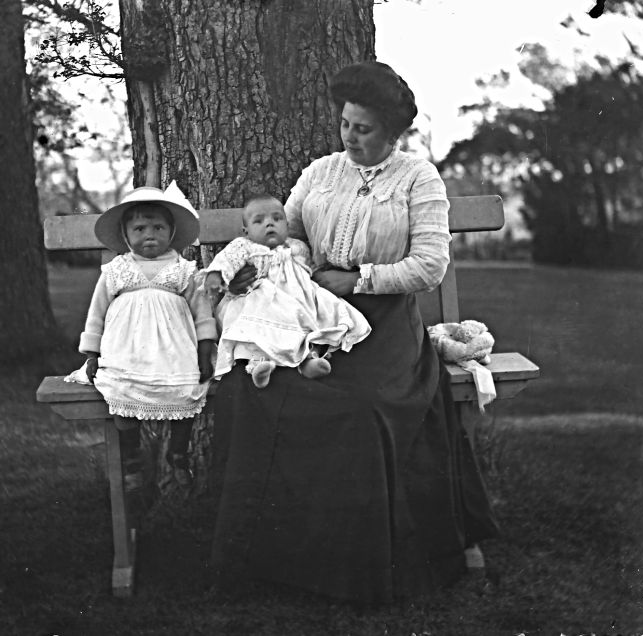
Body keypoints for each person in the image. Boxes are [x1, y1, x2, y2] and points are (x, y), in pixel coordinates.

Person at [210, 61, 500, 604]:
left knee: (362, 410)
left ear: (392, 132)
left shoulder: (419, 178)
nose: (350, 137)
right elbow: (291, 233)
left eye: (362, 129)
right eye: (345, 124)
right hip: (311, 313)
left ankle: (360, 567)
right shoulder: (322, 171)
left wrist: (359, 277)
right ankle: (277, 558)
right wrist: (279, 267)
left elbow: (430, 265)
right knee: (265, 390)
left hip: (385, 323)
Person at [77, 183, 216, 490]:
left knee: (188, 389)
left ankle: (178, 453)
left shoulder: (183, 270)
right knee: (122, 392)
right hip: (127, 352)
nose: (149, 234)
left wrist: (205, 351)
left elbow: (202, 314)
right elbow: (96, 314)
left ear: (172, 231)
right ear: (126, 236)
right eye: (139, 228)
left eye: (158, 227)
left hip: (174, 353)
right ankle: (132, 459)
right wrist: (91, 354)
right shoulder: (116, 270)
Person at [203, 193, 371, 388]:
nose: (269, 224)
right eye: (259, 221)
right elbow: (226, 261)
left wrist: (317, 284)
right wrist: (215, 277)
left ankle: (309, 359)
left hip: (295, 300)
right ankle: (258, 365)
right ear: (246, 231)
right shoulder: (244, 247)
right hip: (261, 300)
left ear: (287, 225)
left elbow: (309, 270)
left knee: (312, 322)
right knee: (255, 330)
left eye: (277, 219)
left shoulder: (297, 247)